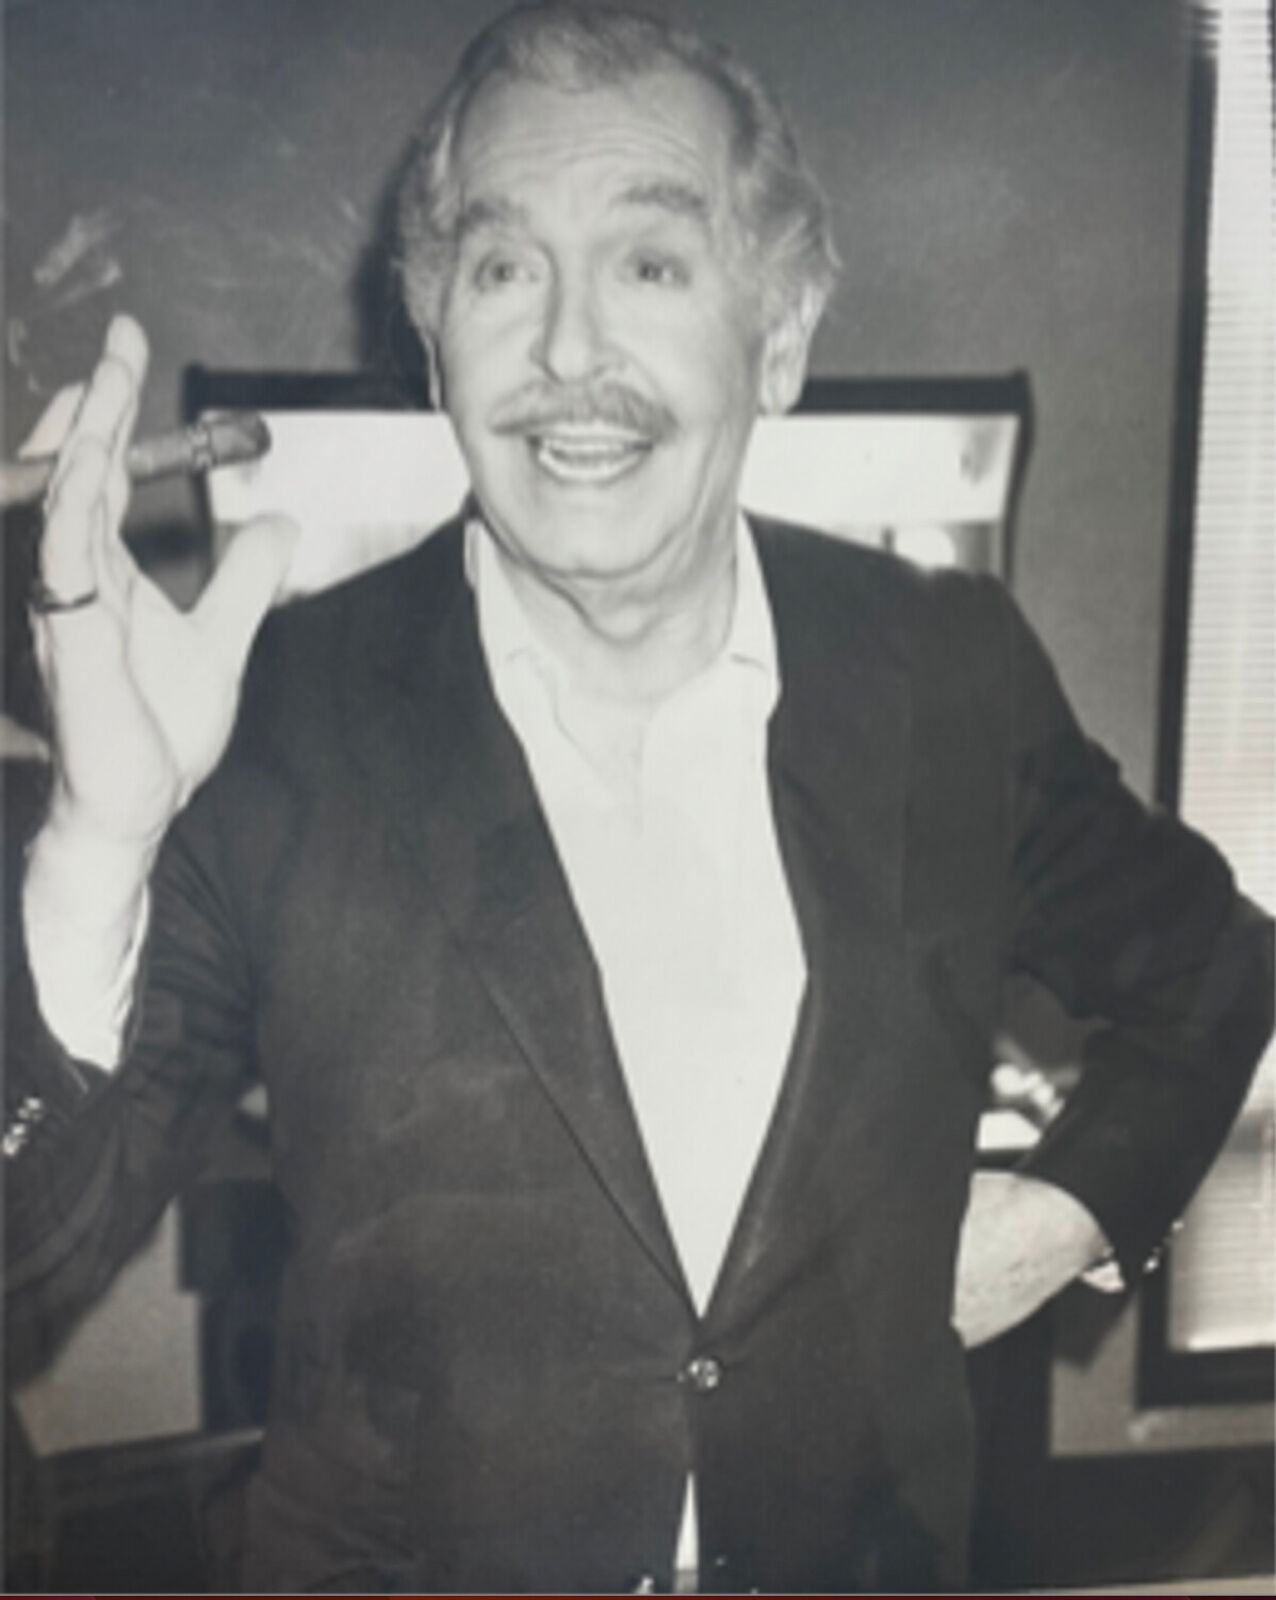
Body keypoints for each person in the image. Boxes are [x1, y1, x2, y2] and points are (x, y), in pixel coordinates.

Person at [5, 2, 1271, 1592]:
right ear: (435, 333)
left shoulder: (943, 670)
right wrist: (100, 843)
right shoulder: (274, 717)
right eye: (503, 267)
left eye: (652, 266)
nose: (568, 354)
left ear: (782, 339)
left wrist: (1074, 1211)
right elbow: (24, 1241)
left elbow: (1215, 966)